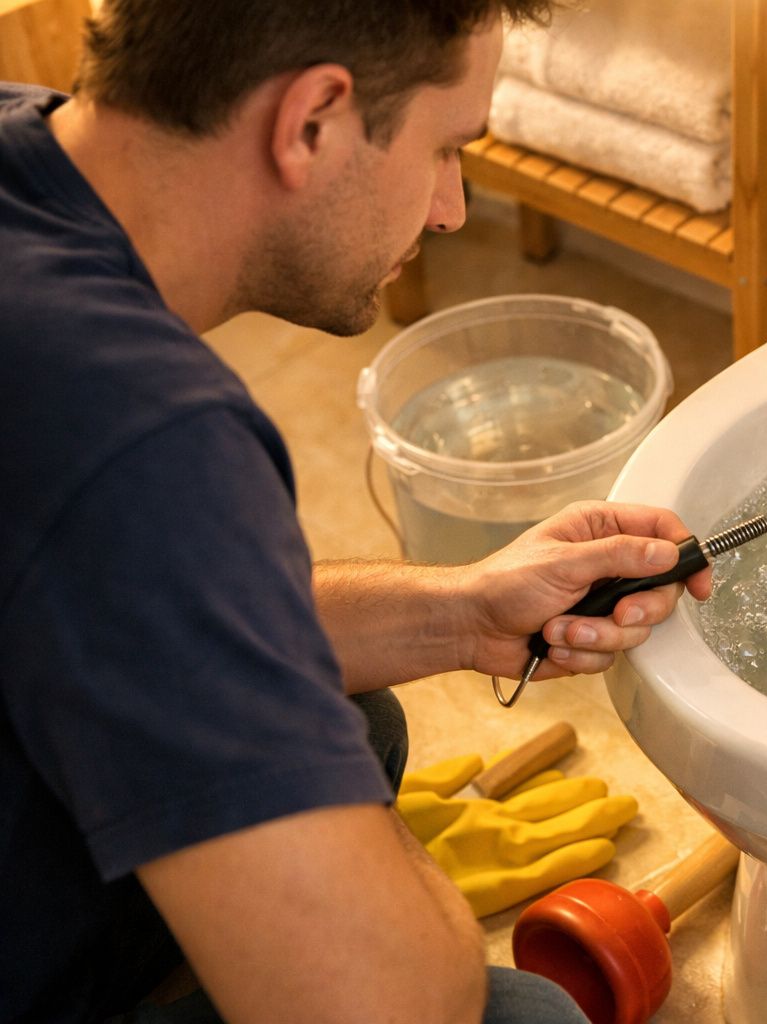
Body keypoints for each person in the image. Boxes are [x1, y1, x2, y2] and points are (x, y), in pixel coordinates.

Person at [0, 1, 712, 1021]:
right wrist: (365, 881)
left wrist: (463, 610)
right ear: (312, 122)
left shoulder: (27, 154)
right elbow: (397, 1005)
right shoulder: (133, 434)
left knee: (357, 715)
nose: (451, 210)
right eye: (445, 148)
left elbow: (129, 603)